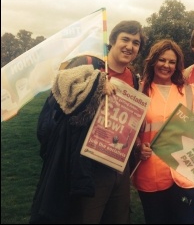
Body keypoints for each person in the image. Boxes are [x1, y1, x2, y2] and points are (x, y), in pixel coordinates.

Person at [29, 20, 147, 224]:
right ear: (112, 41)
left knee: (117, 218)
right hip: (88, 163)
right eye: (125, 39)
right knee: (86, 217)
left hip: (118, 163)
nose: (130, 46)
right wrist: (96, 85)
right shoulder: (89, 64)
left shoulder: (133, 78)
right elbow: (61, 91)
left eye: (135, 42)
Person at [131, 39, 194, 224]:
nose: (166, 65)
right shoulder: (139, 91)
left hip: (183, 176)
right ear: (153, 61)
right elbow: (130, 132)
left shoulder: (190, 92)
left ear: (178, 65)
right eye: (162, 60)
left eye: (172, 62)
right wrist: (139, 146)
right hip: (150, 174)